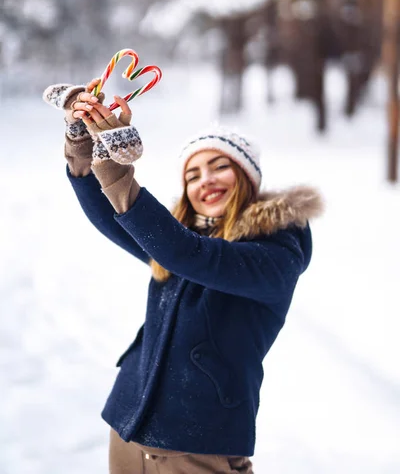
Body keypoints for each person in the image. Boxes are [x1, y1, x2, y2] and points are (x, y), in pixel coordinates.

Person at [43, 77, 323, 474]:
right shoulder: (182, 240)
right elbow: (113, 218)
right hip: (128, 422)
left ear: (248, 178)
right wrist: (82, 142)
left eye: (219, 166)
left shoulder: (275, 251)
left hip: (199, 441)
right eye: (192, 175)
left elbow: (189, 254)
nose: (204, 179)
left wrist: (116, 167)